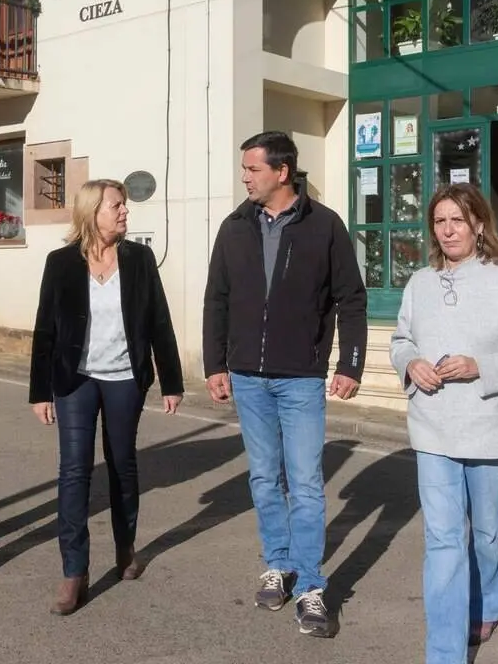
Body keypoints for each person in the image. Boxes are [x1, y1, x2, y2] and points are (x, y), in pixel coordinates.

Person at [202, 131, 368, 638]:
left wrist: (350, 364)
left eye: (253, 169)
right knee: (263, 477)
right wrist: (215, 364)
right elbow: (217, 300)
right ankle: (278, 563)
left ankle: (312, 587)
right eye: (244, 169)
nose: (245, 177)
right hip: (248, 377)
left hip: (300, 378)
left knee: (307, 482)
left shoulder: (325, 226)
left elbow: (351, 299)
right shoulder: (234, 227)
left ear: (283, 171)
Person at [389, 183, 498, 663]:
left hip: (487, 425)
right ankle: (444, 652)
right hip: (432, 426)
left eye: (457, 219)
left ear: (479, 224)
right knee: (442, 540)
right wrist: (411, 363)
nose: (448, 229)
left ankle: (491, 602)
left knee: (485, 531)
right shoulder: (419, 283)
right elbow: (400, 339)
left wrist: (481, 365)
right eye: (439, 221)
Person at [29, 178, 184, 616]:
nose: (124, 213)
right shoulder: (60, 262)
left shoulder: (139, 258)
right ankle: (73, 571)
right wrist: (40, 390)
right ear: (92, 211)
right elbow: (46, 329)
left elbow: (159, 321)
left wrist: (171, 380)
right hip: (75, 379)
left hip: (124, 378)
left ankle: (125, 546)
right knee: (73, 471)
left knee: (121, 463)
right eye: (116, 205)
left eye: (124, 206)